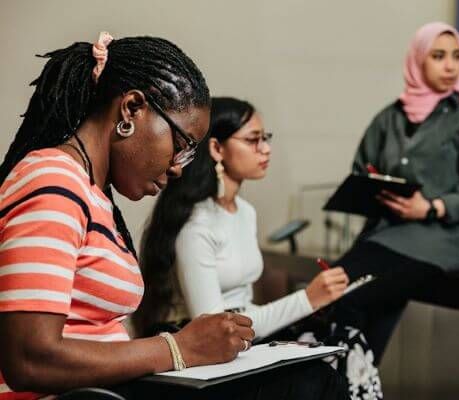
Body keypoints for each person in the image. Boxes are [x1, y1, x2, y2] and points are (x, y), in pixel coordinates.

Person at [0, 33, 346, 400]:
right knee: (310, 386)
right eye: (180, 147)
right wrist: (178, 349)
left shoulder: (92, 192)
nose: (179, 168)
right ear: (131, 109)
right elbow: (28, 359)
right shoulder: (54, 181)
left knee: (311, 377)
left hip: (106, 389)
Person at [135, 97, 382, 399]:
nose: (265, 149)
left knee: (350, 339)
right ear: (216, 149)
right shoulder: (195, 225)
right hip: (205, 344)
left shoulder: (245, 212)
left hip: (247, 333)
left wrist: (311, 302)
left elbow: (244, 305)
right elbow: (214, 327)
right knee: (326, 369)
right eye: (253, 140)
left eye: (266, 138)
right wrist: (307, 299)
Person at [331, 22, 459, 363]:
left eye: (457, 56)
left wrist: (431, 207)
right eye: (438, 56)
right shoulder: (389, 118)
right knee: (333, 288)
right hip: (391, 232)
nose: (450, 65)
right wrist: (375, 189)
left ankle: (347, 382)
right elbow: (361, 170)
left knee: (352, 296)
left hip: (449, 236)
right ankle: (348, 383)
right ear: (417, 60)